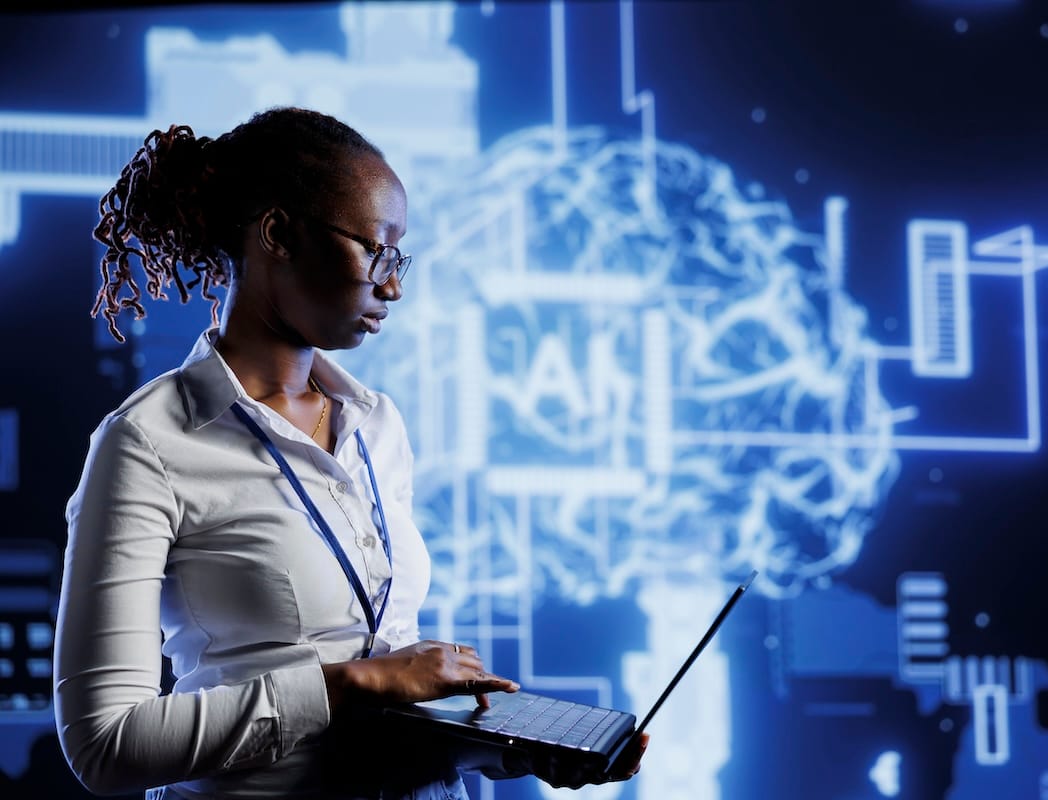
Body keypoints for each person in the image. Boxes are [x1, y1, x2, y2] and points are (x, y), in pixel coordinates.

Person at [53, 106, 647, 799]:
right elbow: (105, 746)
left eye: (400, 257)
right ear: (277, 234)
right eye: (375, 249)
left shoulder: (378, 425)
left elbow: (396, 687)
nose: (392, 284)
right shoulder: (148, 443)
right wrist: (353, 683)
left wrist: (513, 751)